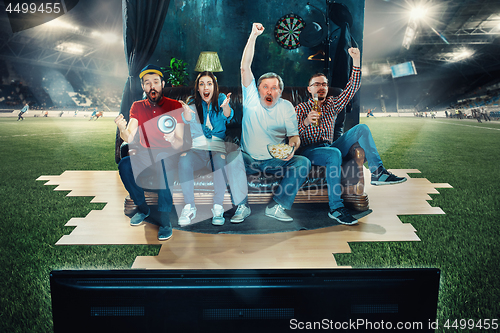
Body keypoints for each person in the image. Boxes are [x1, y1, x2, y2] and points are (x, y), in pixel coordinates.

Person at [295, 49, 406, 225]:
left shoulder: (332, 104)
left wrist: (356, 59)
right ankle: (336, 209)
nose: (321, 87)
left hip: (330, 146)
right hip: (310, 150)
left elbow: (352, 88)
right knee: (333, 154)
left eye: (324, 84)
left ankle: (378, 173)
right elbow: (292, 137)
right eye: (316, 84)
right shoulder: (300, 109)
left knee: (361, 128)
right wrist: (307, 122)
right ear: (309, 89)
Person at [239, 23, 311, 222]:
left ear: (280, 91)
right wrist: (253, 35)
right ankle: (241, 207)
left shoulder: (287, 107)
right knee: (232, 157)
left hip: (274, 160)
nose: (269, 91)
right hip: (248, 158)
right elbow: (245, 67)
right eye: (265, 87)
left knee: (302, 162)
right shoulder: (251, 99)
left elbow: (294, 137)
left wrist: (291, 149)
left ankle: (277, 206)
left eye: (274, 88)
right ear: (257, 89)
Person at [115, 64, 184, 241]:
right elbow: (129, 137)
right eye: (147, 83)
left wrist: (172, 139)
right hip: (145, 154)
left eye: (155, 82)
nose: (152, 86)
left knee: (163, 162)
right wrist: (122, 128)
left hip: (167, 154)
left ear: (162, 83)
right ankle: (143, 207)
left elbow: (180, 143)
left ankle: (164, 219)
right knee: (124, 165)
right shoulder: (137, 107)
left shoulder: (174, 105)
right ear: (143, 87)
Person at [177, 71, 248, 226]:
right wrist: (187, 114)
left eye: (209, 83)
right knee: (183, 159)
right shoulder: (191, 103)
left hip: (216, 150)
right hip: (197, 150)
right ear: (197, 88)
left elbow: (228, 116)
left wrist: (226, 106)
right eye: (202, 84)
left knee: (221, 161)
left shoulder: (221, 99)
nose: (205, 87)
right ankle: (189, 207)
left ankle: (217, 207)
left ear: (214, 87)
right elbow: (186, 119)